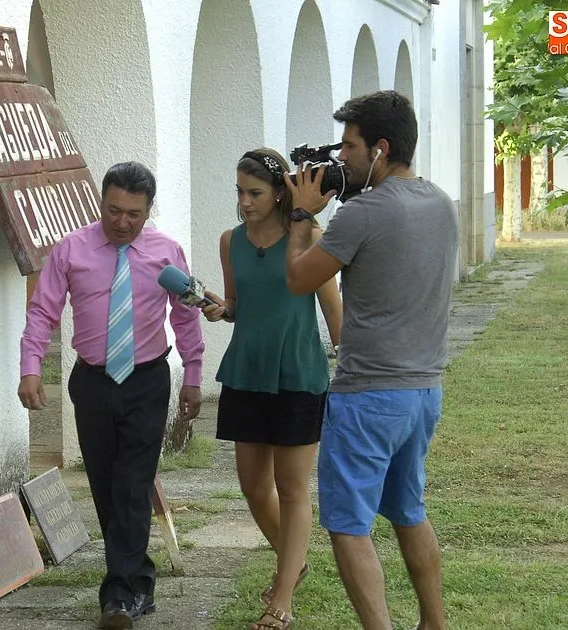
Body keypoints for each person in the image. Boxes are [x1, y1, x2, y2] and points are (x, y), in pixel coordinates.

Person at [282, 90, 457, 630]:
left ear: (380, 148)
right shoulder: (440, 202)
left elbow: (299, 279)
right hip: (423, 391)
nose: (341, 158)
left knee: (348, 524)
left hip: (368, 396)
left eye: (349, 146)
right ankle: (434, 623)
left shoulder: (363, 212)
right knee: (409, 510)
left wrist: (301, 215)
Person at [18, 161, 205, 630]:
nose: (122, 222)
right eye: (113, 210)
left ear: (149, 210)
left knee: (133, 484)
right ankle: (140, 581)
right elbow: (42, 312)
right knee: (105, 485)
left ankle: (118, 595)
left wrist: (194, 375)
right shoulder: (71, 249)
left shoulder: (167, 253)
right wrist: (31, 368)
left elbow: (186, 316)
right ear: (101, 203)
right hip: (93, 382)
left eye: (133, 214)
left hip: (146, 380)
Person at [200, 148, 341, 630]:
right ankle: (293, 563)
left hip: (298, 372)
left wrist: (352, 371)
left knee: (292, 488)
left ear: (281, 192)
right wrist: (221, 309)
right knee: (254, 487)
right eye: (239, 192)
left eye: (255, 193)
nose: (244, 202)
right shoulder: (230, 241)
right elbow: (237, 303)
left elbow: (334, 313)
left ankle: (282, 598)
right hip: (247, 371)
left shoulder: (310, 238)